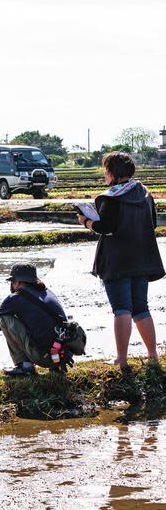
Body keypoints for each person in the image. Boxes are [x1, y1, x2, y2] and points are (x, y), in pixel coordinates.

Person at [77, 151, 163, 367]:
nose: (105, 174)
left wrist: (86, 222)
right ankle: (152, 355)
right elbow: (152, 224)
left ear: (112, 173)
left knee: (121, 309)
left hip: (117, 261)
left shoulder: (111, 197)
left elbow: (106, 227)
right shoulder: (144, 193)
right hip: (142, 259)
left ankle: (122, 359)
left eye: (106, 170)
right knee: (141, 308)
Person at [0, 263, 69, 376]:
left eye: (12, 281)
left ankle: (25, 367)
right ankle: (55, 368)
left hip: (44, 357)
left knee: (4, 319)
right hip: (63, 355)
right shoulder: (48, 292)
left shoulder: (14, 298)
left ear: (18, 282)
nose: (11, 284)